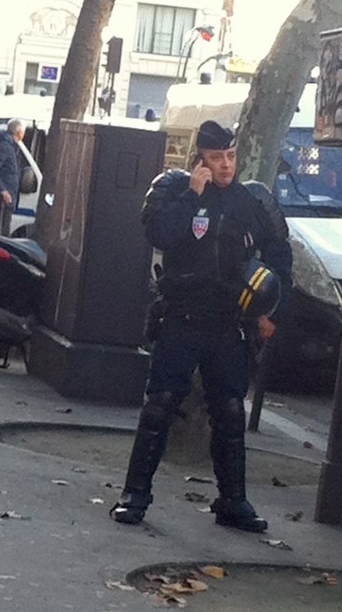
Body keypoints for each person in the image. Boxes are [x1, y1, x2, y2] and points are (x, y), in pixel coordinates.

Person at [110, 120, 293, 532]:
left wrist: (271, 312)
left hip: (229, 325)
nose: (226, 165)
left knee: (229, 412)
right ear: (201, 160)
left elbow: (281, 256)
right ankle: (134, 495)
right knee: (159, 406)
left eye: (230, 156)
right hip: (182, 319)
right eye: (216, 158)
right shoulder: (176, 191)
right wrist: (193, 194)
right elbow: (159, 233)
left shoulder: (253, 202)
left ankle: (233, 501)